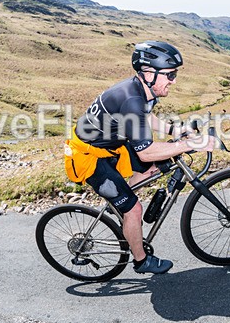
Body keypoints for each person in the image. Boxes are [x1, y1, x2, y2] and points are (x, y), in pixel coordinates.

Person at [66, 41, 216, 274]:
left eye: (175, 74)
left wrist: (173, 131)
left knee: (150, 169)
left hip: (112, 145)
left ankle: (123, 211)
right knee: (134, 209)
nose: (174, 81)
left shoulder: (143, 90)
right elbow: (145, 150)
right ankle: (140, 260)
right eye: (170, 75)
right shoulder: (132, 99)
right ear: (149, 73)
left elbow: (147, 116)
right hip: (89, 156)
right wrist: (189, 144)